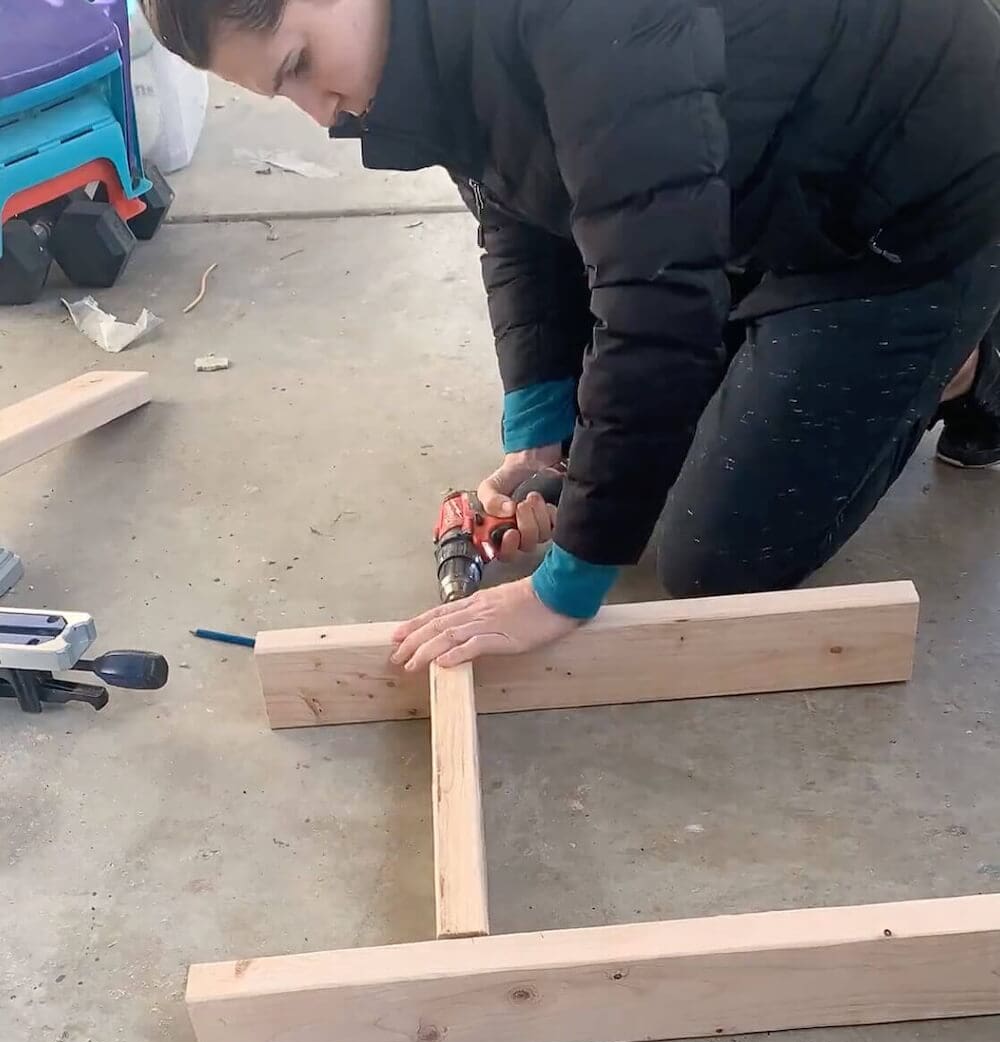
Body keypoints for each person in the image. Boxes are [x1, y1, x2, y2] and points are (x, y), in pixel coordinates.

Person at [142, 0, 1000, 672]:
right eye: (277, 91)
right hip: (746, 184)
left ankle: (966, 366)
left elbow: (656, 305)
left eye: (299, 65)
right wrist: (541, 429)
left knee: (716, 555)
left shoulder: (588, 15)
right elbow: (516, 202)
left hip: (911, 200)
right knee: (629, 440)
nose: (318, 114)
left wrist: (564, 590)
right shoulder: (412, 40)